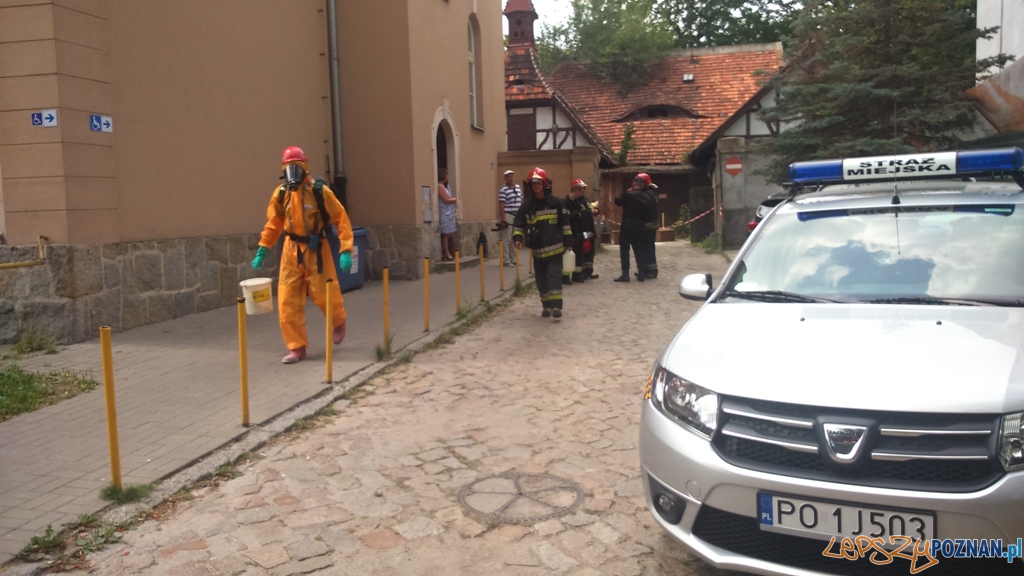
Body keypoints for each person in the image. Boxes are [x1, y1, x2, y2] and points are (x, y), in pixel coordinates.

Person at [253, 146, 353, 364]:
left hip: (317, 249)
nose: (293, 170)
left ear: (305, 165)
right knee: (287, 301)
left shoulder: (319, 191)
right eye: (289, 166)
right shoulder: (281, 194)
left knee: (324, 293)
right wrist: (264, 247)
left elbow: (340, 219)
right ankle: (297, 347)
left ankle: (338, 321)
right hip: (291, 250)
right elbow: (274, 223)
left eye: (296, 165)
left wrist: (346, 249)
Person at [512, 167, 572, 318]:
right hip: (538, 252)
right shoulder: (527, 205)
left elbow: (565, 224)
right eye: (533, 184)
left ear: (545, 184)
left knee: (554, 276)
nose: (536, 186)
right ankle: (546, 306)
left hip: (555, 249)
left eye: (539, 183)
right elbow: (518, 224)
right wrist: (518, 238)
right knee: (541, 280)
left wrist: (569, 242)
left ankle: (557, 307)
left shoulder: (556, 202)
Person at [613, 175, 652, 283]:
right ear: (643, 185)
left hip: (627, 225)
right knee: (639, 250)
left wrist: (626, 192)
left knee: (624, 250)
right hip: (639, 226)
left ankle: (625, 274)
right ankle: (641, 273)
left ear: (633, 185)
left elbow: (617, 201)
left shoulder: (628, 195)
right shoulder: (646, 197)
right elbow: (649, 212)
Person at [566, 179, 598, 281]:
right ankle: (582, 273)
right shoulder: (574, 201)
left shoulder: (585, 199)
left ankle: (589, 271)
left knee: (590, 251)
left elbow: (588, 209)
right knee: (583, 250)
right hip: (583, 230)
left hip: (589, 229)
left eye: (584, 188)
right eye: (582, 188)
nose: (583, 190)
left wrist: (596, 211)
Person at [497, 169, 522, 267]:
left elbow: (520, 201)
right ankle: (506, 260)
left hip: (516, 215)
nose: (510, 178)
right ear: (505, 178)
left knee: (513, 239)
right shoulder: (503, 190)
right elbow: (501, 205)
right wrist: (503, 218)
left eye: (511, 175)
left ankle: (513, 259)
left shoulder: (518, 188)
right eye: (508, 176)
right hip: (508, 214)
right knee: (506, 239)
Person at [636, 172, 659, 279]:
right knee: (644, 248)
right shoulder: (649, 192)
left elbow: (645, 208)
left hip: (648, 225)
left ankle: (652, 271)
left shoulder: (648, 193)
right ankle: (645, 270)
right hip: (648, 224)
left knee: (648, 248)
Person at [438, 168, 457, 260]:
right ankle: (446, 252)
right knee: (446, 234)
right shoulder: (440, 187)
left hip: (449, 212)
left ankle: (442, 251)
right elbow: (446, 200)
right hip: (445, 213)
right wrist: (453, 200)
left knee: (450, 232)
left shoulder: (445, 186)